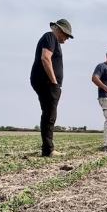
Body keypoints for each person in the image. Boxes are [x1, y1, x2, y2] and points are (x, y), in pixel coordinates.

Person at [29, 19, 73, 157]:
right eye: (66, 36)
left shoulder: (52, 39)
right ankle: (48, 150)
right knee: (50, 115)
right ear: (60, 30)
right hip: (47, 83)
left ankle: (47, 148)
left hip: (47, 83)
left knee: (48, 114)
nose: (66, 39)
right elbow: (45, 58)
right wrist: (54, 82)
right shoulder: (50, 36)